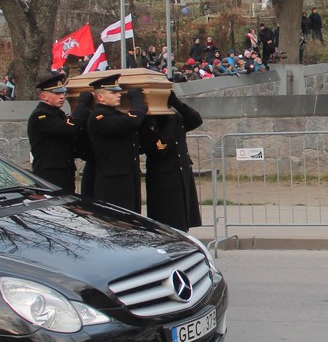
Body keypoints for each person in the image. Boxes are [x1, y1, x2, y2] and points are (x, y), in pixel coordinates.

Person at [141, 92, 204, 230]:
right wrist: (169, 121)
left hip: (181, 174)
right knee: (168, 221)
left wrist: (177, 104)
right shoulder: (149, 121)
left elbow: (196, 120)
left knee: (182, 221)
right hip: (164, 179)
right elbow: (160, 149)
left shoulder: (175, 118)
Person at [86, 73, 148, 212]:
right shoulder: (98, 117)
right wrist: (137, 102)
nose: (119, 94)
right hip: (112, 185)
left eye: (119, 91)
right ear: (100, 97)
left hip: (127, 181)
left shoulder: (117, 115)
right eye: (113, 92)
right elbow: (134, 121)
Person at [27, 73, 90, 192]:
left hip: (66, 172)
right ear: (43, 96)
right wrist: (81, 106)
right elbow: (69, 128)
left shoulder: (58, 114)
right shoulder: (40, 116)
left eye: (63, 93)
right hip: (49, 174)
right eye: (57, 93)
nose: (62, 97)